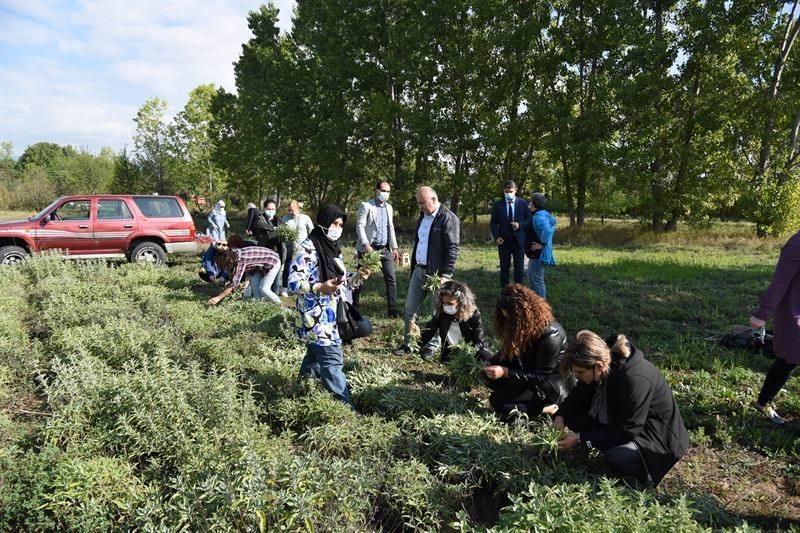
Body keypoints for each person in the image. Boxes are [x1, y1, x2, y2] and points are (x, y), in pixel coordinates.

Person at [555, 330, 689, 486]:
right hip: (622, 420)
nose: (578, 378)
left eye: (579, 373)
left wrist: (581, 438)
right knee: (575, 419)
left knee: (617, 457)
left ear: (598, 366)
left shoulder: (634, 379)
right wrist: (561, 415)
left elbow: (627, 430)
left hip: (655, 437)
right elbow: (579, 396)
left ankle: (644, 475)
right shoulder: (603, 366)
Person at [287, 205, 371, 405]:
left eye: (341, 224)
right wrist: (318, 287)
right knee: (332, 361)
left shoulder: (332, 249)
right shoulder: (307, 248)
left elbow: (339, 280)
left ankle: (301, 392)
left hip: (330, 316)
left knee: (315, 357)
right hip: (316, 318)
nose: (338, 228)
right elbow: (292, 283)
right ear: (324, 222)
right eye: (335, 223)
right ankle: (344, 409)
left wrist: (357, 276)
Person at [482, 283, 568, 419]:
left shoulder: (552, 334)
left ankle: (547, 408)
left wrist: (505, 372)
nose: (509, 321)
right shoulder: (521, 328)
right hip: (526, 375)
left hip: (545, 387)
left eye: (511, 318)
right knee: (492, 382)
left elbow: (541, 376)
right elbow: (509, 352)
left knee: (499, 403)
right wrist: (490, 363)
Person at [395, 186, 460, 358]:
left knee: (436, 312)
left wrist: (446, 275)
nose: (421, 207)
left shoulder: (448, 218)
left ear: (433, 199)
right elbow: (420, 243)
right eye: (419, 204)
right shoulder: (422, 218)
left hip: (437, 274)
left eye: (423, 203)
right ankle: (408, 343)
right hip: (419, 270)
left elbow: (453, 248)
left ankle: (432, 346)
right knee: (410, 309)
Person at [749, 229, 800, 425]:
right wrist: (762, 312)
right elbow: (780, 282)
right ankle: (764, 401)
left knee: (789, 360)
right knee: (789, 358)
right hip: (793, 313)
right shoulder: (796, 246)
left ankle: (763, 400)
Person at [354, 180, 400, 317]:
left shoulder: (389, 208)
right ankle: (353, 304)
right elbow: (360, 226)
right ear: (377, 191)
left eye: (388, 191)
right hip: (369, 248)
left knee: (391, 278)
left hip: (384, 248)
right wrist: (366, 245)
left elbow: (390, 227)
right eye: (383, 191)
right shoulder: (366, 206)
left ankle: (392, 310)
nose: (386, 194)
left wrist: (394, 247)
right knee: (361, 277)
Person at [418, 280, 485, 362]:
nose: (446, 306)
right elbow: (428, 332)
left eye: (450, 303)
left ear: (461, 302)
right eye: (444, 303)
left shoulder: (474, 315)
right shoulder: (441, 314)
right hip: (449, 356)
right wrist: (415, 341)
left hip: (469, 356)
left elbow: (479, 342)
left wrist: (470, 354)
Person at [207, 236, 281, 306]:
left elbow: (234, 284)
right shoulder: (234, 254)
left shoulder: (240, 260)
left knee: (264, 288)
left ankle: (281, 308)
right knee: (254, 283)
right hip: (261, 265)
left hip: (273, 261)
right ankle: (260, 305)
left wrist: (218, 298)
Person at [490, 180, 531, 287]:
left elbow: (529, 220)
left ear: (515, 190)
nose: (508, 193)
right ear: (503, 191)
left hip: (518, 241)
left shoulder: (522, 203)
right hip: (503, 241)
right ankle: (505, 293)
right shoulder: (498, 205)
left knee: (519, 268)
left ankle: (519, 292)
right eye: (506, 191)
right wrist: (496, 236)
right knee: (504, 268)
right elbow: (493, 223)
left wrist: (520, 225)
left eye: (511, 191)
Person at [252, 199, 287, 297]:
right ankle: (263, 297)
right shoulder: (260, 219)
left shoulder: (279, 220)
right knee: (264, 275)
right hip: (264, 253)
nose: (271, 211)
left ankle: (273, 298)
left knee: (276, 277)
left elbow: (284, 230)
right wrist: (273, 228)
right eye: (269, 209)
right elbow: (258, 225)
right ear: (264, 209)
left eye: (273, 209)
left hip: (277, 252)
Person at [281, 200, 315, 296]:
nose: (291, 212)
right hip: (289, 246)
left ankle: (302, 287)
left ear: (298, 208)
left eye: (292, 210)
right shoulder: (285, 218)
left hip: (303, 247)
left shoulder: (305, 218)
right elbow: (282, 231)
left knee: (302, 266)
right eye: (289, 210)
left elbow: (312, 231)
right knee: (288, 266)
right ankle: (284, 287)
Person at [526, 192, 556, 299]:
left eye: (530, 201)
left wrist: (542, 244)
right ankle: (536, 304)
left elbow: (548, 230)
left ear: (534, 203)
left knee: (537, 280)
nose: (529, 203)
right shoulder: (541, 214)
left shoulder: (539, 217)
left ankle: (541, 307)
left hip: (538, 253)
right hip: (534, 254)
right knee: (532, 278)